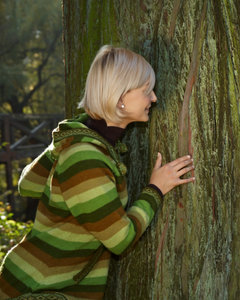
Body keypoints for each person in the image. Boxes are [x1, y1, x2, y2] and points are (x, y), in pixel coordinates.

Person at [0, 45, 195, 299]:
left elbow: (29, 185)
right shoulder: (86, 158)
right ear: (121, 97)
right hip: (40, 290)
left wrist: (70, 134)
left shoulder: (88, 143)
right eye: (147, 90)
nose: (155, 98)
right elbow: (121, 240)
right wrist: (155, 190)